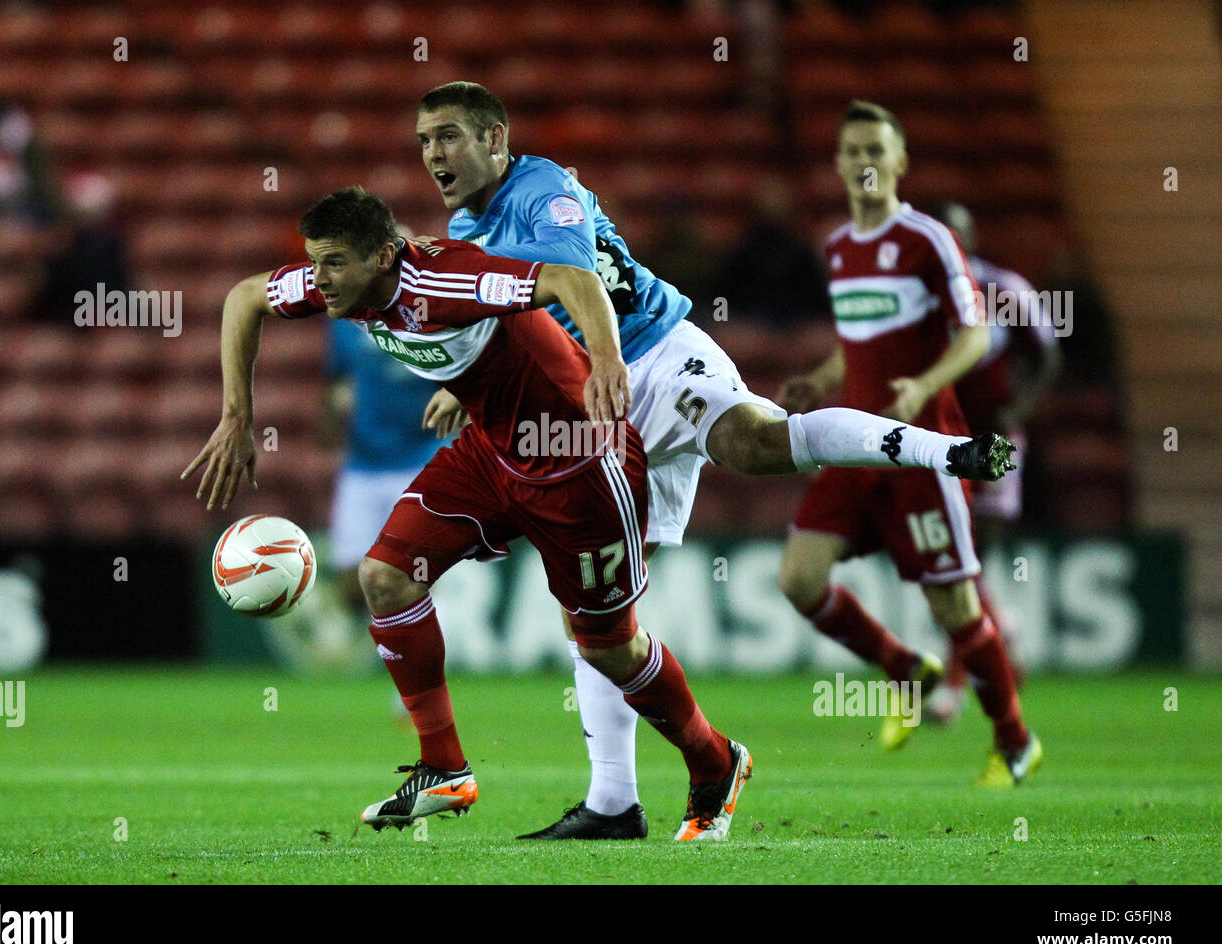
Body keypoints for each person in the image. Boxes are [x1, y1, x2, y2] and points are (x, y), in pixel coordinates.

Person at [412, 82, 1017, 838]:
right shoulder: (466, 222)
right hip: (594, 407)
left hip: (653, 358)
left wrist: (547, 346)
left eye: (449, 136)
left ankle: (944, 452)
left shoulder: (544, 187)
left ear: (495, 138)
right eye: (425, 141)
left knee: (757, 442)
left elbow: (571, 276)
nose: (434, 153)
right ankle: (612, 804)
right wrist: (468, 385)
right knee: (599, 624)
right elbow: (508, 316)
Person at [182, 186, 754, 841]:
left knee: (608, 646)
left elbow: (571, 279)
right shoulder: (336, 286)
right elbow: (244, 297)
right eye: (315, 263)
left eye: (335, 263)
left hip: (581, 461)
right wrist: (237, 418)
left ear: (385, 257)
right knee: (384, 576)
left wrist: (606, 363)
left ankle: (714, 760)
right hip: (491, 450)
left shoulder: (450, 276)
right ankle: (443, 767)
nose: (320, 281)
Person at [775, 101, 1041, 786]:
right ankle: (903, 669)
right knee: (798, 579)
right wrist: (821, 378)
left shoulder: (928, 240)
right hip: (856, 447)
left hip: (926, 450)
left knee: (956, 608)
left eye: (876, 150)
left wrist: (923, 387)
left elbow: (976, 334)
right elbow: (855, 342)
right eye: (852, 150)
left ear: (900, 162)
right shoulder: (838, 248)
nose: (864, 162)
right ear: (837, 164)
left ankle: (1014, 740)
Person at [923, 201, 1062, 722]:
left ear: (972, 240)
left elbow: (1048, 354)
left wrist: (1017, 409)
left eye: (957, 237)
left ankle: (954, 688)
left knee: (970, 554)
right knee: (953, 560)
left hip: (997, 439)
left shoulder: (1005, 289)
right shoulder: (918, 300)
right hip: (939, 441)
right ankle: (1002, 632)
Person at [320, 315, 442, 620]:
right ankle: (386, 640)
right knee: (352, 583)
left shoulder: (430, 311)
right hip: (363, 462)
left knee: (410, 573)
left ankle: (410, 648)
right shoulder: (344, 320)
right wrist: (335, 408)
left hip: (420, 457)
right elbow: (339, 378)